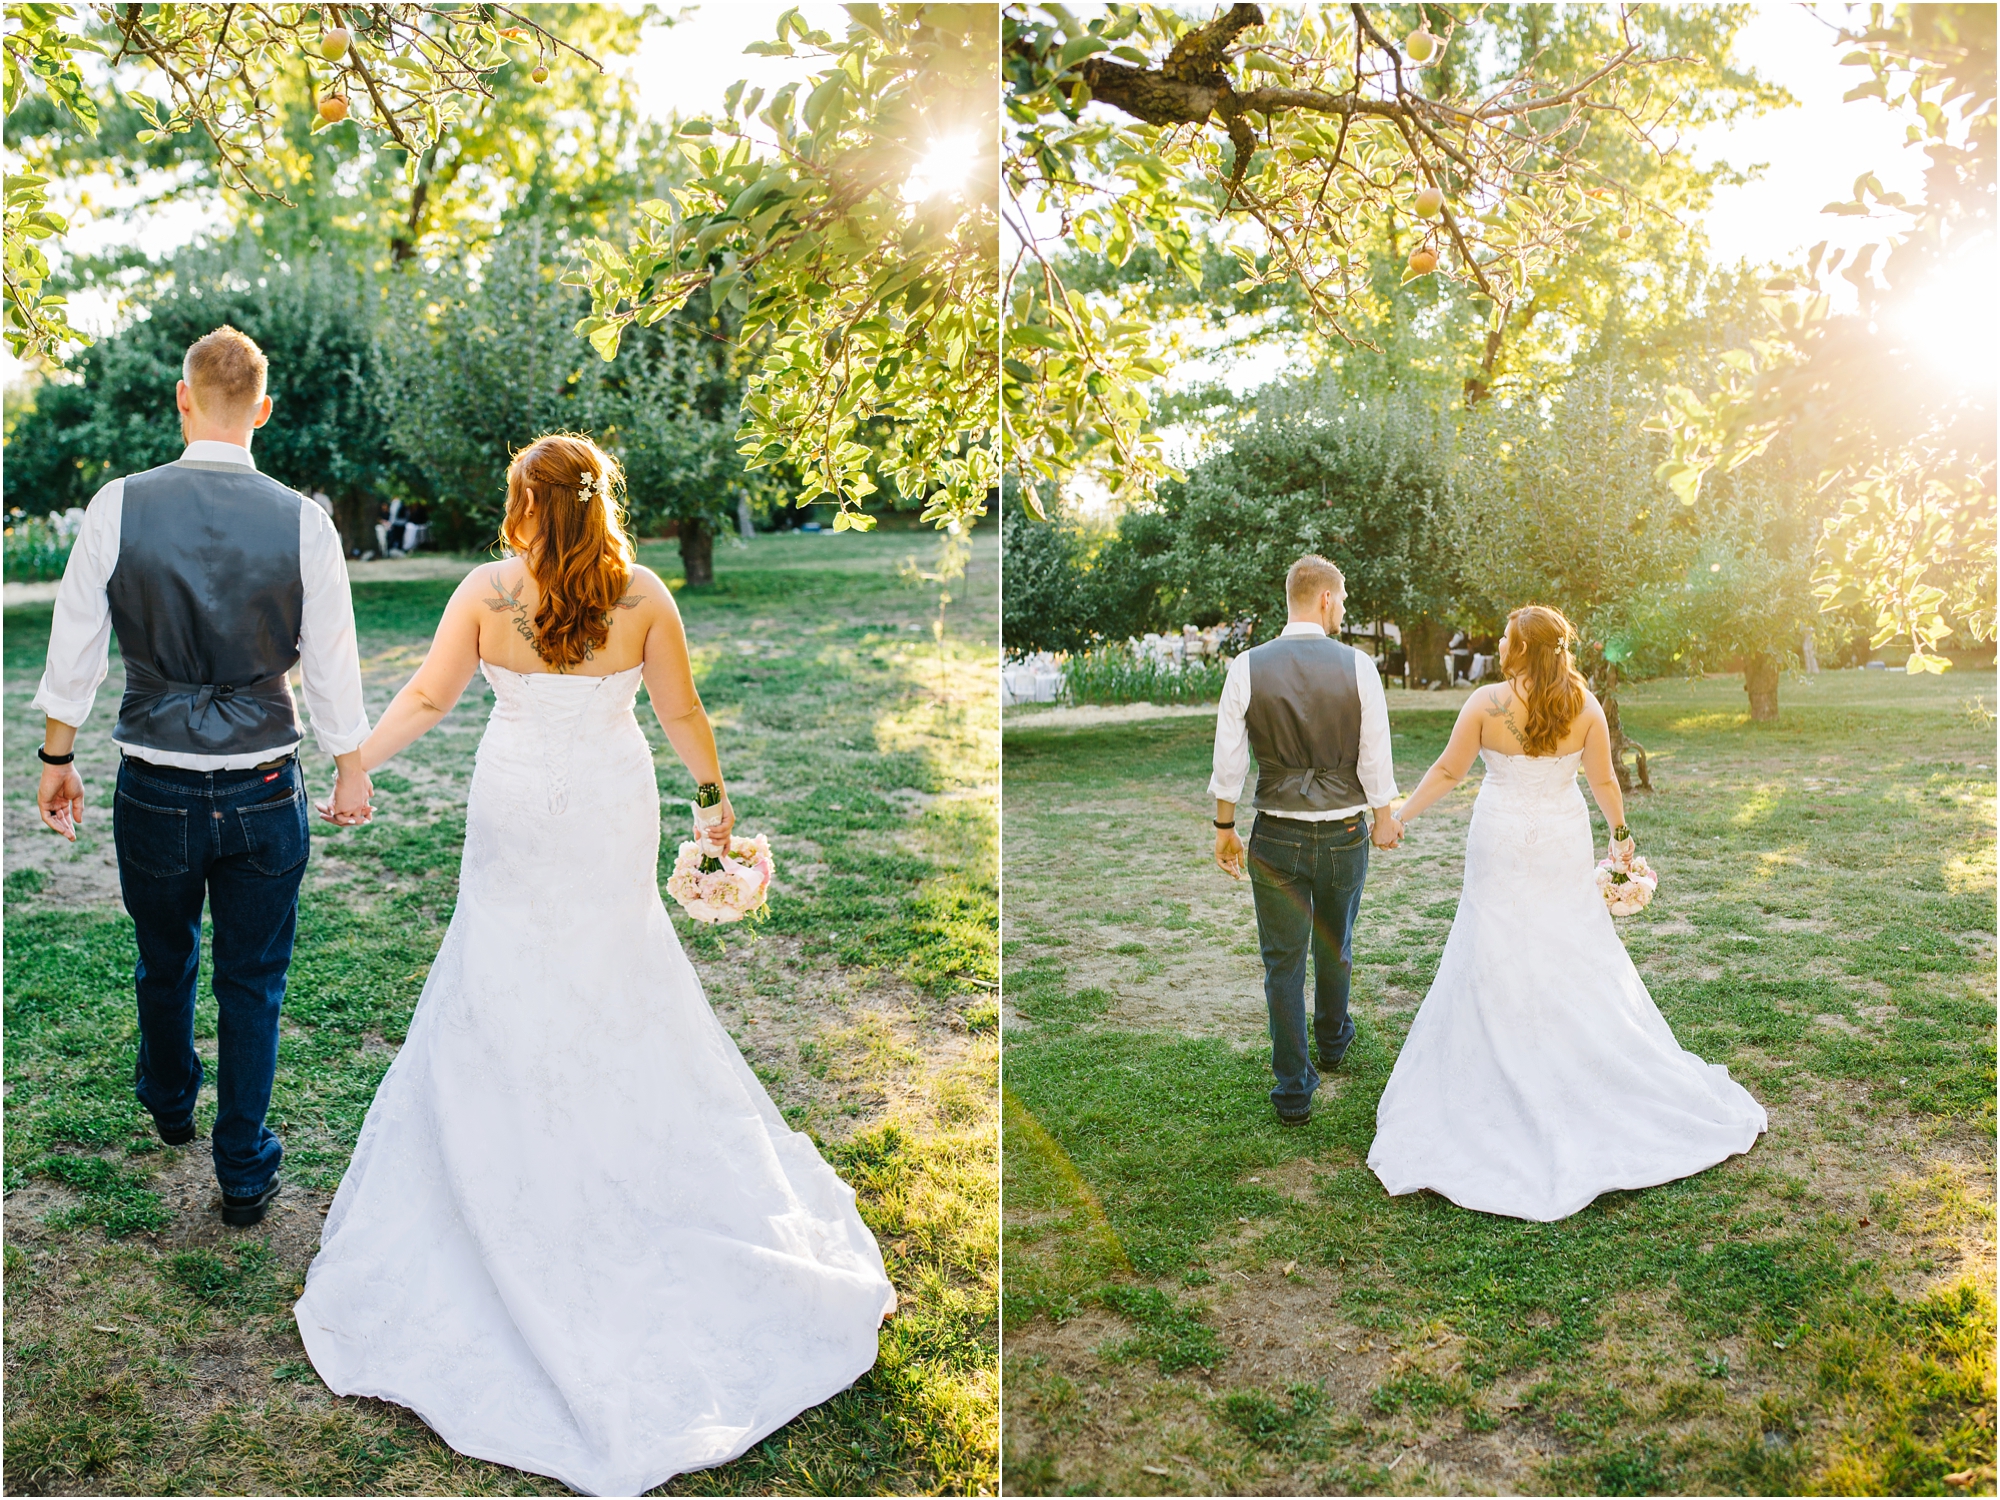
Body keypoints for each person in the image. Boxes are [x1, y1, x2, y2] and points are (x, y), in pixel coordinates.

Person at [292, 433, 895, 1497]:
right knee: (613, 967)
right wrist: (713, 804)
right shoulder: (645, 593)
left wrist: (356, 769)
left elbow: (428, 702)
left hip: (517, 801)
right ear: (600, 500)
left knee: (507, 967)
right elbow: (677, 713)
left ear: (525, 503)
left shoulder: (486, 593)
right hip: (609, 800)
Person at [32, 325, 374, 1228]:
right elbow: (333, 660)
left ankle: (171, 1096)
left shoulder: (118, 503)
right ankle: (244, 1168)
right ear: (263, 410)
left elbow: (77, 640)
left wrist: (57, 756)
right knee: (253, 981)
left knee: (164, 953)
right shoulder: (305, 519)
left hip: (155, 781)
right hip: (265, 784)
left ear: (183, 398)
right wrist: (350, 766)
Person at [1367, 604, 1766, 1221]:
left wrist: (1397, 818)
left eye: (1505, 637)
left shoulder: (1485, 704)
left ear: (1521, 650)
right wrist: (1620, 834)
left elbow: (1450, 771)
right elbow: (1604, 781)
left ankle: (1504, 1059)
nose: (1498, 643)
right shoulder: (1585, 706)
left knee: (1493, 942)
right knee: (1568, 944)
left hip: (1499, 836)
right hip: (1559, 836)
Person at [1211, 554, 1401, 1126]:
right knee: (1335, 942)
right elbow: (1375, 752)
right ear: (1323, 599)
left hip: (1276, 835)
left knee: (1283, 963)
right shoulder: (1359, 666)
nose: (1343, 610)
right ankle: (1334, 1039)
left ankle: (1293, 1090)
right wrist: (1384, 816)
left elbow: (1229, 759)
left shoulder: (1247, 666)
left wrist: (1225, 828)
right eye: (1341, 600)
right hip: (1345, 832)